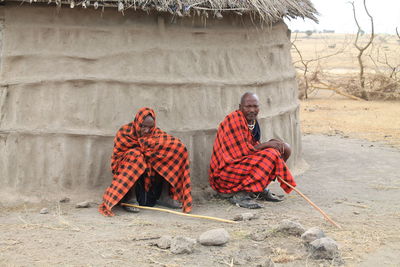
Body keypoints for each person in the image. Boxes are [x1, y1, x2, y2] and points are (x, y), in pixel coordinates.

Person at [208, 92, 296, 209]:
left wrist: (272, 144)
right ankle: (241, 194)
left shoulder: (252, 122)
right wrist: (268, 145)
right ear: (240, 107)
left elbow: (252, 148)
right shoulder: (234, 119)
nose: (252, 110)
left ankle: (257, 189)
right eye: (248, 106)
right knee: (271, 154)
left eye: (255, 106)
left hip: (241, 167)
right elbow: (241, 152)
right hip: (225, 175)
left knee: (284, 148)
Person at [99, 107, 192, 216]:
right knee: (135, 156)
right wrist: (143, 152)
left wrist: (151, 153)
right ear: (137, 122)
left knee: (173, 150)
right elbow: (117, 157)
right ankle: (131, 199)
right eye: (143, 126)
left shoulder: (156, 134)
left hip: (153, 180)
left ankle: (164, 196)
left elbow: (177, 147)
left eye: (150, 127)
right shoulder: (125, 132)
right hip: (131, 176)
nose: (147, 130)